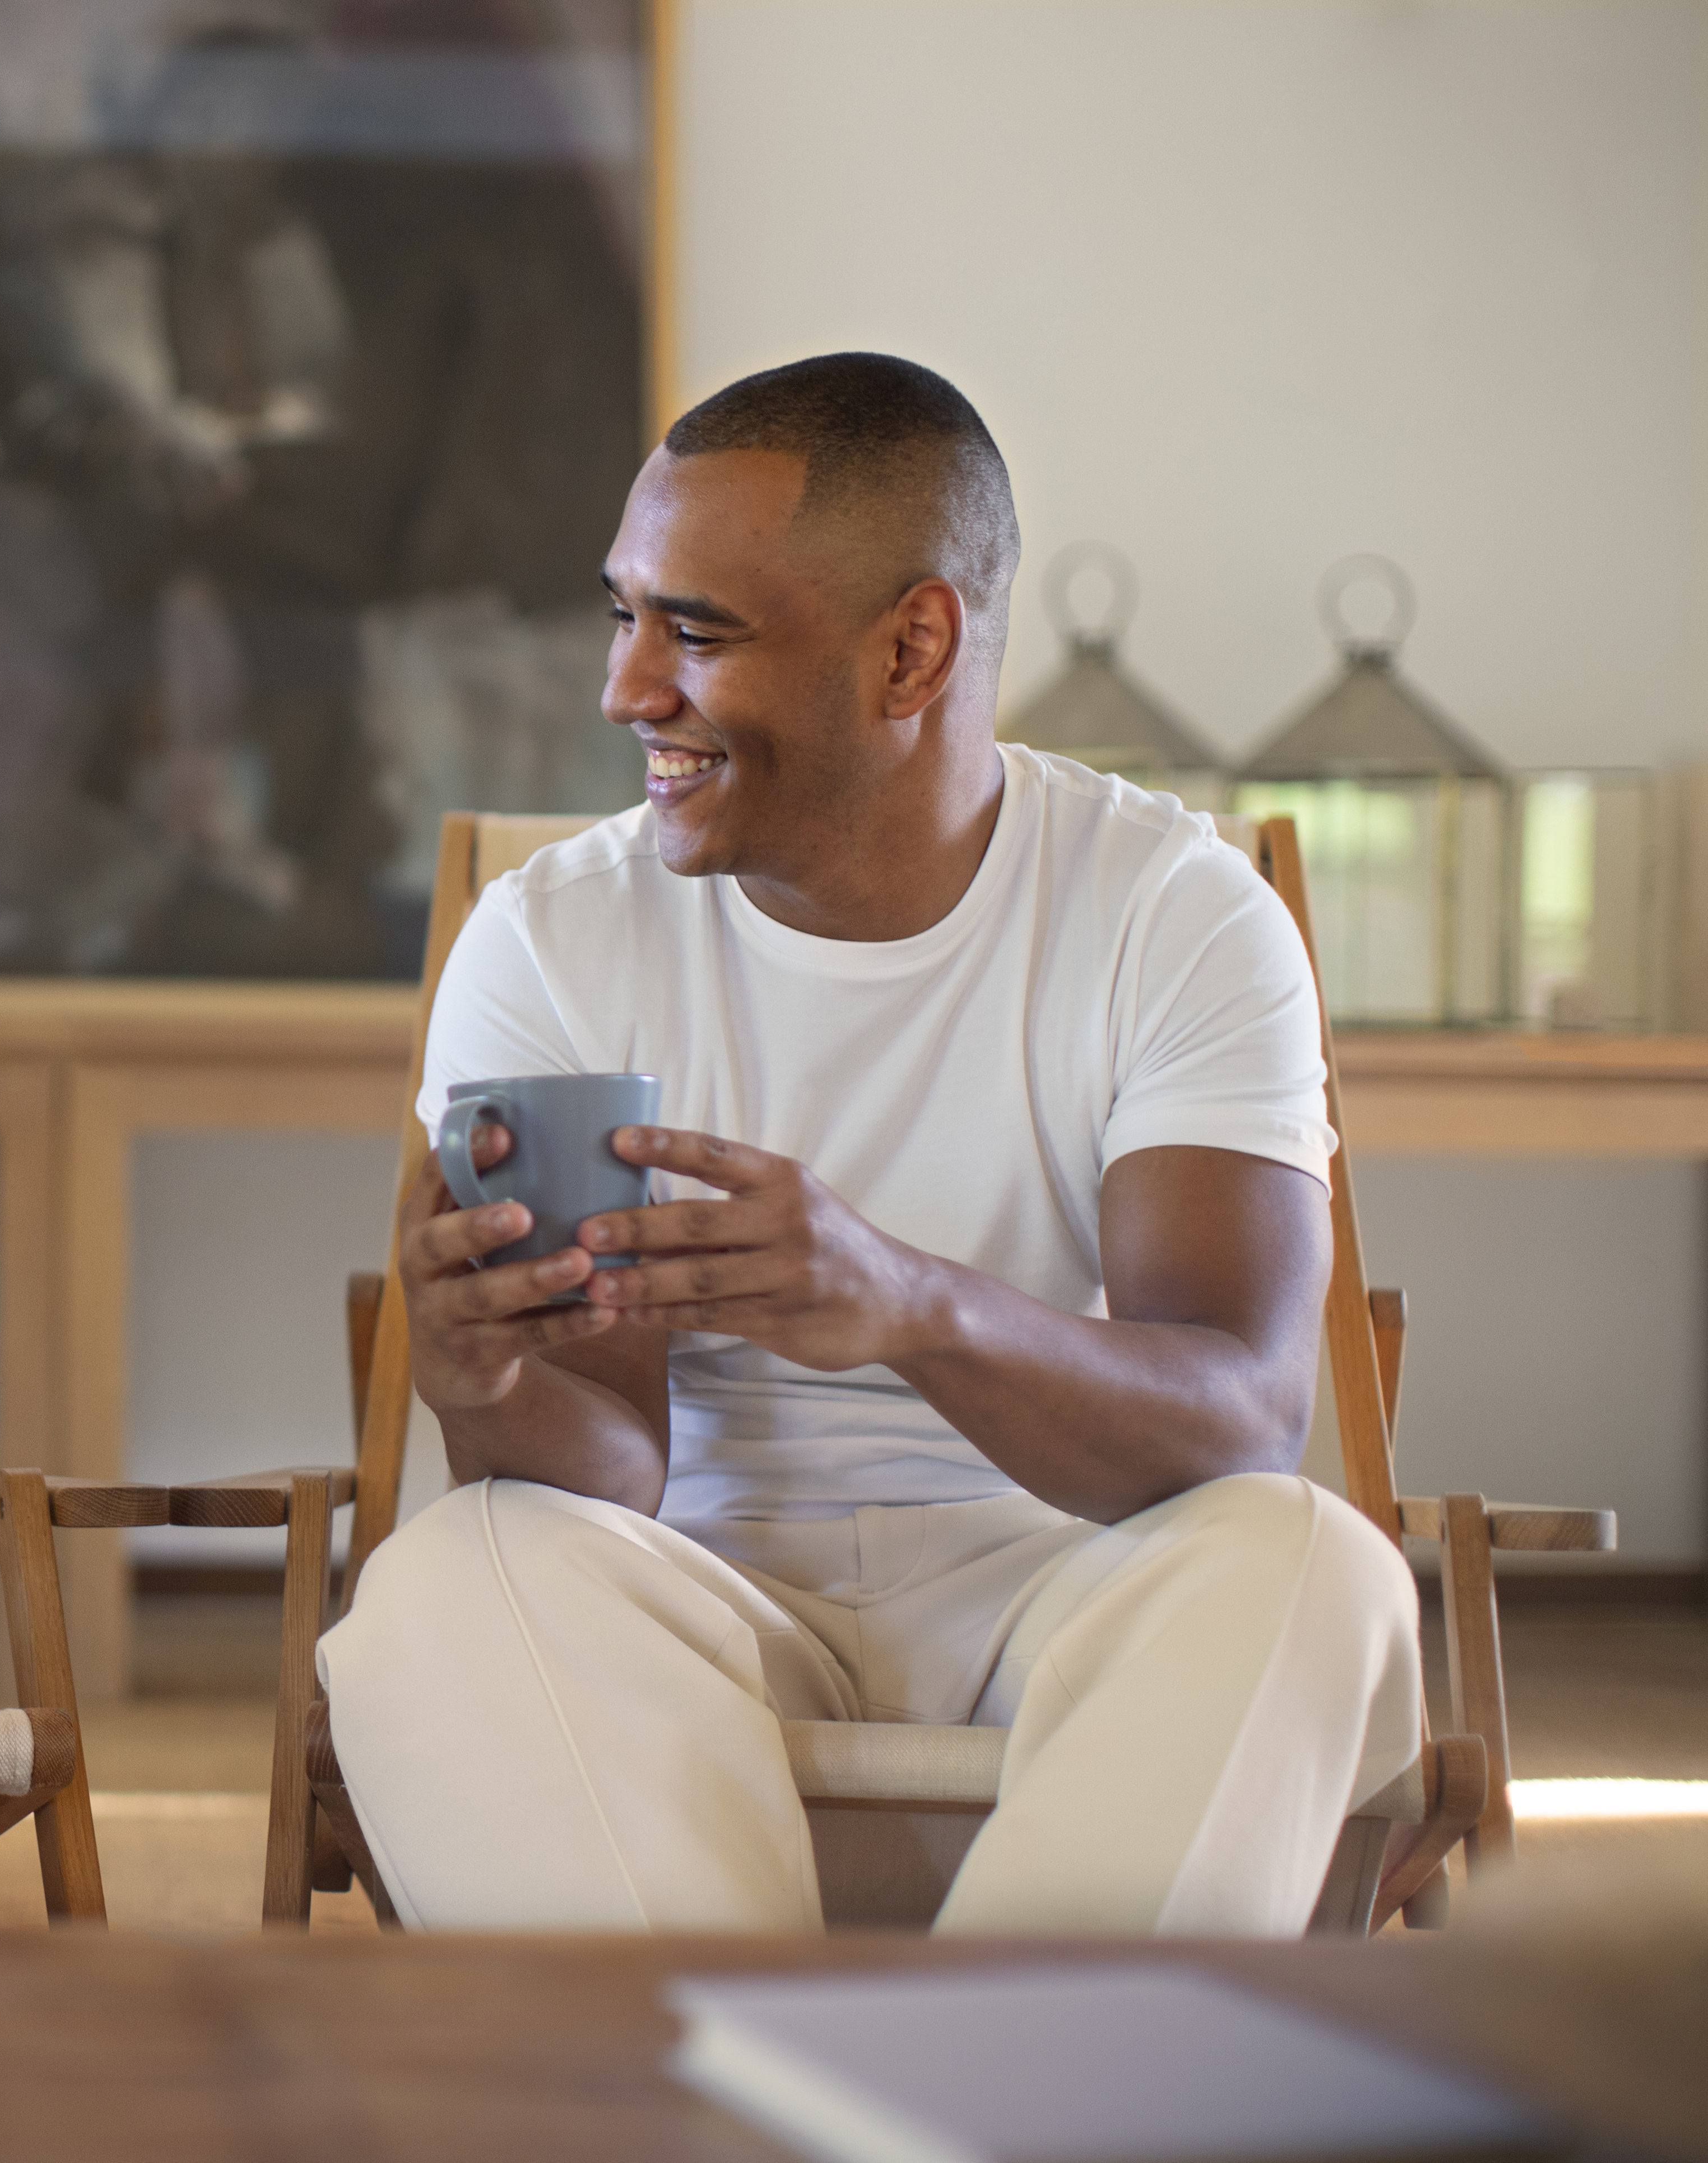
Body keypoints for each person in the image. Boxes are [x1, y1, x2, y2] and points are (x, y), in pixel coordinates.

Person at [319, 354, 1423, 1936]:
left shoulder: (1174, 916)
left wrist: (911, 1306)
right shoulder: (554, 940)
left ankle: (906, 2064)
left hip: (1073, 1591)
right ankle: (759, 2056)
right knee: (450, 1579)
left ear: (913, 650)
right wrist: (480, 1379)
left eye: (697, 632)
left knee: (1312, 1564)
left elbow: (1242, 1417)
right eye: (625, 617)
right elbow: (607, 1466)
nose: (627, 689)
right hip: (688, 1609)